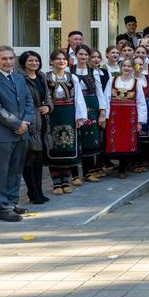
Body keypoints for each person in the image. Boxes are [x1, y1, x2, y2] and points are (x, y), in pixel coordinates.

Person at [0, 46, 35, 221]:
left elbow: (29, 101)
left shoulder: (19, 77)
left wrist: (25, 122)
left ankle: (12, 203)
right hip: (2, 134)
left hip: (22, 133)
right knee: (1, 172)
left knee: (16, 170)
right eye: (4, 58)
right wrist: (17, 124)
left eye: (11, 58)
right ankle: (3, 208)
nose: (8, 61)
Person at [46, 51, 87, 195]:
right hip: (52, 114)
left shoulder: (72, 77)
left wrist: (80, 117)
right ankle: (56, 183)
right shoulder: (45, 77)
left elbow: (79, 98)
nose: (61, 61)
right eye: (58, 59)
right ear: (52, 61)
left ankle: (66, 181)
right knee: (54, 147)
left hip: (69, 113)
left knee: (68, 147)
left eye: (64, 59)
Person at [104, 58, 148, 179]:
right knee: (115, 140)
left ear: (133, 68)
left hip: (130, 117)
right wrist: (105, 115)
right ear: (121, 67)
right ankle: (113, 165)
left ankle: (123, 168)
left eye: (129, 66)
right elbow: (106, 98)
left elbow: (141, 102)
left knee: (127, 142)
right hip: (115, 116)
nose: (126, 68)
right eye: (124, 66)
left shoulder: (136, 82)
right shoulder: (112, 80)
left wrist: (140, 121)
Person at [19, 51, 52, 205]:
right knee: (29, 158)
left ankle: (39, 191)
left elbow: (48, 97)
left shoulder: (41, 76)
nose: (34, 63)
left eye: (36, 60)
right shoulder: (20, 78)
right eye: (30, 61)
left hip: (43, 121)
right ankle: (32, 192)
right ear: (24, 62)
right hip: (29, 121)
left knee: (39, 159)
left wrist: (48, 107)